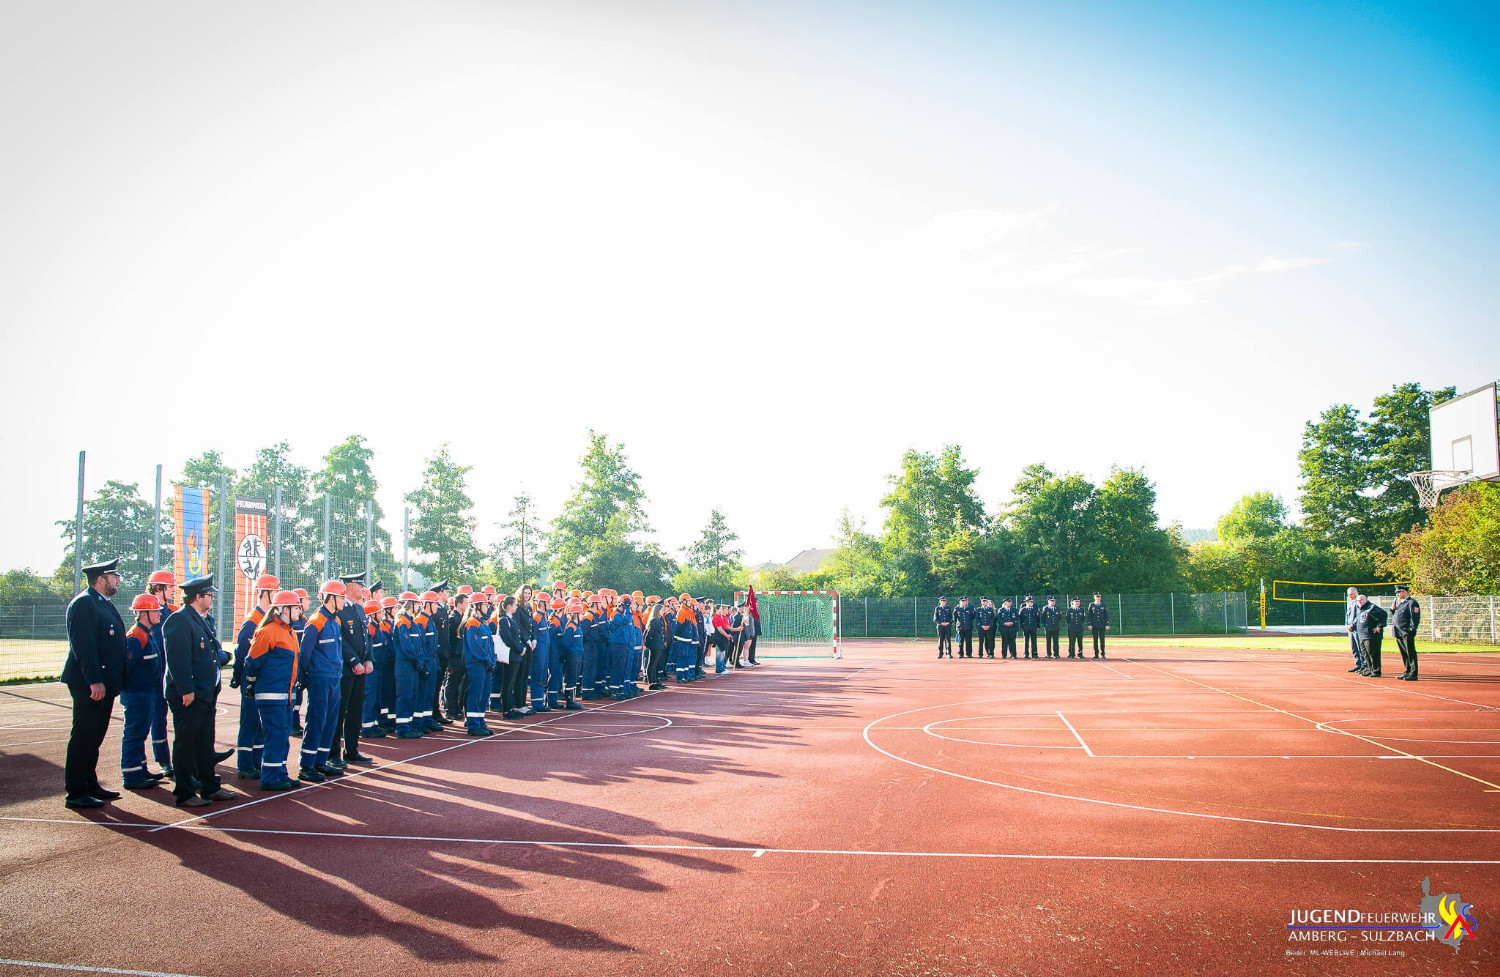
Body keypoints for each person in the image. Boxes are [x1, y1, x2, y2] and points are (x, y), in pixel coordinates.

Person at [62, 559, 129, 808]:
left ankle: (90, 783)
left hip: (106, 683)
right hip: (90, 683)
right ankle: (76, 791)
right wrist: (95, 681)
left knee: (95, 737)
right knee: (84, 736)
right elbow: (84, 648)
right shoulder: (83, 604)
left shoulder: (101, 603)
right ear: (101, 578)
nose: (118, 579)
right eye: (115, 575)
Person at [163, 575, 235, 807]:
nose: (212, 598)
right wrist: (186, 689)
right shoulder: (180, 620)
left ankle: (209, 787)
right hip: (190, 694)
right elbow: (177, 660)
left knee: (205, 742)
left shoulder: (199, 619)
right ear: (197, 597)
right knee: (186, 743)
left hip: (205, 693)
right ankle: (184, 792)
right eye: (209, 595)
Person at [243, 590, 302, 791]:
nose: (300, 611)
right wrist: (252, 682)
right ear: (284, 610)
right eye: (296, 607)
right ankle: (269, 778)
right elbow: (251, 662)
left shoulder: (290, 632)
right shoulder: (268, 631)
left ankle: (280, 773)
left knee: (282, 737)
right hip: (271, 694)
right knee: (275, 736)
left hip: (284, 695)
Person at [231, 573, 279, 779]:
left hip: (264, 679)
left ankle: (256, 761)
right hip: (251, 679)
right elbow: (242, 651)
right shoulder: (253, 620)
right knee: (249, 721)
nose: (276, 596)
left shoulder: (269, 618)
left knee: (260, 724)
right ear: (265, 594)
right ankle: (244, 763)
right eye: (274, 592)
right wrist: (239, 675)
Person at [298, 581, 347, 777]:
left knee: (330, 721)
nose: (344, 601)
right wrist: (303, 678)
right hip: (320, 678)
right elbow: (305, 653)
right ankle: (307, 765)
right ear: (330, 598)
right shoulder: (316, 621)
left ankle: (320, 760)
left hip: (335, 677)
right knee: (316, 719)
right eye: (341, 597)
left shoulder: (336, 621)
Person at [120, 593, 167, 789]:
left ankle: (141, 768)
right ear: (143, 614)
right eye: (155, 610)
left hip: (148, 692)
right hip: (138, 693)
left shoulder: (148, 633)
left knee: (141, 732)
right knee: (134, 732)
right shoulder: (136, 636)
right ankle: (131, 775)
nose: (159, 613)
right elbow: (127, 667)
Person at [330, 572, 374, 766]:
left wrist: (368, 659)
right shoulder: (340, 610)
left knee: (356, 710)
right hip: (347, 669)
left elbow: (367, 637)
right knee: (340, 711)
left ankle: (352, 749)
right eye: (360, 584)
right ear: (349, 586)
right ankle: (333, 753)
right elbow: (342, 640)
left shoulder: (358, 608)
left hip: (360, 669)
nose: (363, 588)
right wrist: (354, 661)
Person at [142, 569, 178, 778]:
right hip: (156, 673)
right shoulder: (147, 611)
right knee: (157, 718)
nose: (173, 590)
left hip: (171, 671)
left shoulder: (171, 611)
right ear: (158, 588)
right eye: (170, 587)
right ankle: (163, 759)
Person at [460, 595, 495, 736]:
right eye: (485, 605)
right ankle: (473, 725)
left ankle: (480, 721)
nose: (487, 608)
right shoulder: (471, 624)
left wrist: (492, 659)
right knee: (475, 694)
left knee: (484, 694)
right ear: (477, 606)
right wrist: (487, 660)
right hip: (476, 665)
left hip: (485, 664)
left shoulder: (483, 623)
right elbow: (476, 647)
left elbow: (490, 645)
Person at [360, 597, 391, 740]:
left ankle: (373, 725)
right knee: (370, 697)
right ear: (372, 615)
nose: (382, 615)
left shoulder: (376, 628)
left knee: (376, 697)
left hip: (379, 668)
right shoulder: (370, 629)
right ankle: (367, 728)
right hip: (372, 670)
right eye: (379, 613)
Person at [427, 580, 454, 724]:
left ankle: (435, 713)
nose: (448, 594)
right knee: (433, 687)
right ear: (439, 593)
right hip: (436, 654)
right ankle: (432, 713)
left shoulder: (442, 609)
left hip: (443, 654)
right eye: (446, 592)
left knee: (437, 687)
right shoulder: (435, 611)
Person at [495, 596, 525, 716]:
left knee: (511, 682)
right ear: (508, 606)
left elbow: (517, 635)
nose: (516, 607)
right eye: (514, 605)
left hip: (515, 655)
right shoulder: (503, 620)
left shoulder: (511, 619)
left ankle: (510, 707)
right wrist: (519, 648)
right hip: (510, 655)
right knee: (507, 682)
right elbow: (508, 639)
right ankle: (506, 710)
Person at [290, 587, 310, 736]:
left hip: (299, 663)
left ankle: (295, 722)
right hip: (294, 663)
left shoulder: (303, 620)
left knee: (299, 694)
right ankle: (292, 723)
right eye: (306, 599)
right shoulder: (296, 623)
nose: (309, 601)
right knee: (294, 694)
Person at [558, 602, 586, 709]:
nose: (582, 616)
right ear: (575, 614)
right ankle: (570, 701)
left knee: (574, 677)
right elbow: (566, 643)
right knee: (571, 677)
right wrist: (568, 655)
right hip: (572, 656)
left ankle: (572, 699)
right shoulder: (571, 627)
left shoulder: (577, 626)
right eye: (581, 613)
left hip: (577, 654)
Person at [1391, 584, 1421, 681]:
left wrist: (1411, 629)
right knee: (1404, 653)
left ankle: (1413, 673)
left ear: (1405, 592)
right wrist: (1393, 609)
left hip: (1406, 632)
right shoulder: (1401, 603)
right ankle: (1407, 670)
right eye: (1397, 592)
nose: (1398, 594)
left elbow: (1414, 617)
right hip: (1399, 631)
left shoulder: (1411, 603)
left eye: (1399, 592)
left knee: (1410, 652)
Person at [1355, 590, 1388, 678]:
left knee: (1373, 654)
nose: (1360, 602)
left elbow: (1384, 614)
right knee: (1365, 654)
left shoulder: (1371, 608)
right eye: (1358, 601)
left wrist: (1380, 626)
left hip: (1371, 636)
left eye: (1361, 600)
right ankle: (1369, 669)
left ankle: (1376, 671)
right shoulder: (1360, 609)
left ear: (1366, 600)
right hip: (1362, 635)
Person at [644, 600, 668, 688]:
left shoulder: (659, 620)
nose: (663, 612)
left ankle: (656, 681)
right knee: (652, 664)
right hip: (654, 644)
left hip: (659, 644)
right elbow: (649, 634)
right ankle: (651, 683)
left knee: (656, 664)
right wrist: (647, 644)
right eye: (662, 610)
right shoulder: (654, 620)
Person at [1344, 587, 1366, 674]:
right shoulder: (1351, 603)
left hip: (1356, 629)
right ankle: (1358, 664)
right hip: (1350, 629)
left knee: (1360, 648)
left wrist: (1352, 625)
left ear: (1356, 593)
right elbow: (1348, 616)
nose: (1350, 596)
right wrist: (1346, 625)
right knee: (1354, 648)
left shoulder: (1358, 603)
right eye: (1349, 595)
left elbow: (1358, 616)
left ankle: (1363, 665)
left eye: (1352, 594)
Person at [1087, 592, 1110, 658]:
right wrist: (1089, 624)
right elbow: (1089, 615)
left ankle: (1103, 653)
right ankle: (1096, 654)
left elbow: (1106, 615)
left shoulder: (1103, 605)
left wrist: (1107, 624)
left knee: (1102, 639)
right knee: (1095, 639)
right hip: (1094, 625)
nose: (1098, 598)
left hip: (1102, 625)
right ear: (1094, 597)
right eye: (1097, 597)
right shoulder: (1091, 605)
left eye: (1099, 597)